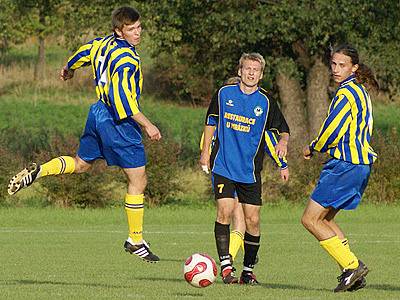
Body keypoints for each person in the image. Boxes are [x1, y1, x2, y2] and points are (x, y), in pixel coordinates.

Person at [7, 6, 161, 263]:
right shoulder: (126, 59)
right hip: (118, 121)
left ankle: (39, 171)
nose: (138, 33)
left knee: (81, 165)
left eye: (139, 27)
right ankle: (135, 239)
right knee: (138, 179)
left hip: (97, 113)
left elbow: (84, 51)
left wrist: (69, 67)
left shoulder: (103, 44)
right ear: (119, 31)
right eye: (131, 29)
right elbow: (122, 98)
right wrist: (147, 124)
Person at [200, 53, 290, 285]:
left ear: (261, 75)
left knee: (253, 220)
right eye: (247, 68)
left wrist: (283, 146)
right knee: (225, 210)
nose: (251, 73)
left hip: (249, 171)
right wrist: (205, 153)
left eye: (255, 70)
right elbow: (211, 121)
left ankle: (248, 271)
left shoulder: (267, 102)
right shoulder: (223, 94)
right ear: (240, 71)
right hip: (223, 165)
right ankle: (226, 268)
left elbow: (280, 130)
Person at [301, 44, 379, 292]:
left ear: (354, 67)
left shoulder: (345, 94)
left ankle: (352, 265)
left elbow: (331, 131)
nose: (335, 69)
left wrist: (313, 146)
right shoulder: (360, 90)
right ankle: (351, 272)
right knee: (325, 218)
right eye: (333, 64)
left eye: (342, 65)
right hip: (359, 165)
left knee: (310, 219)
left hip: (345, 165)